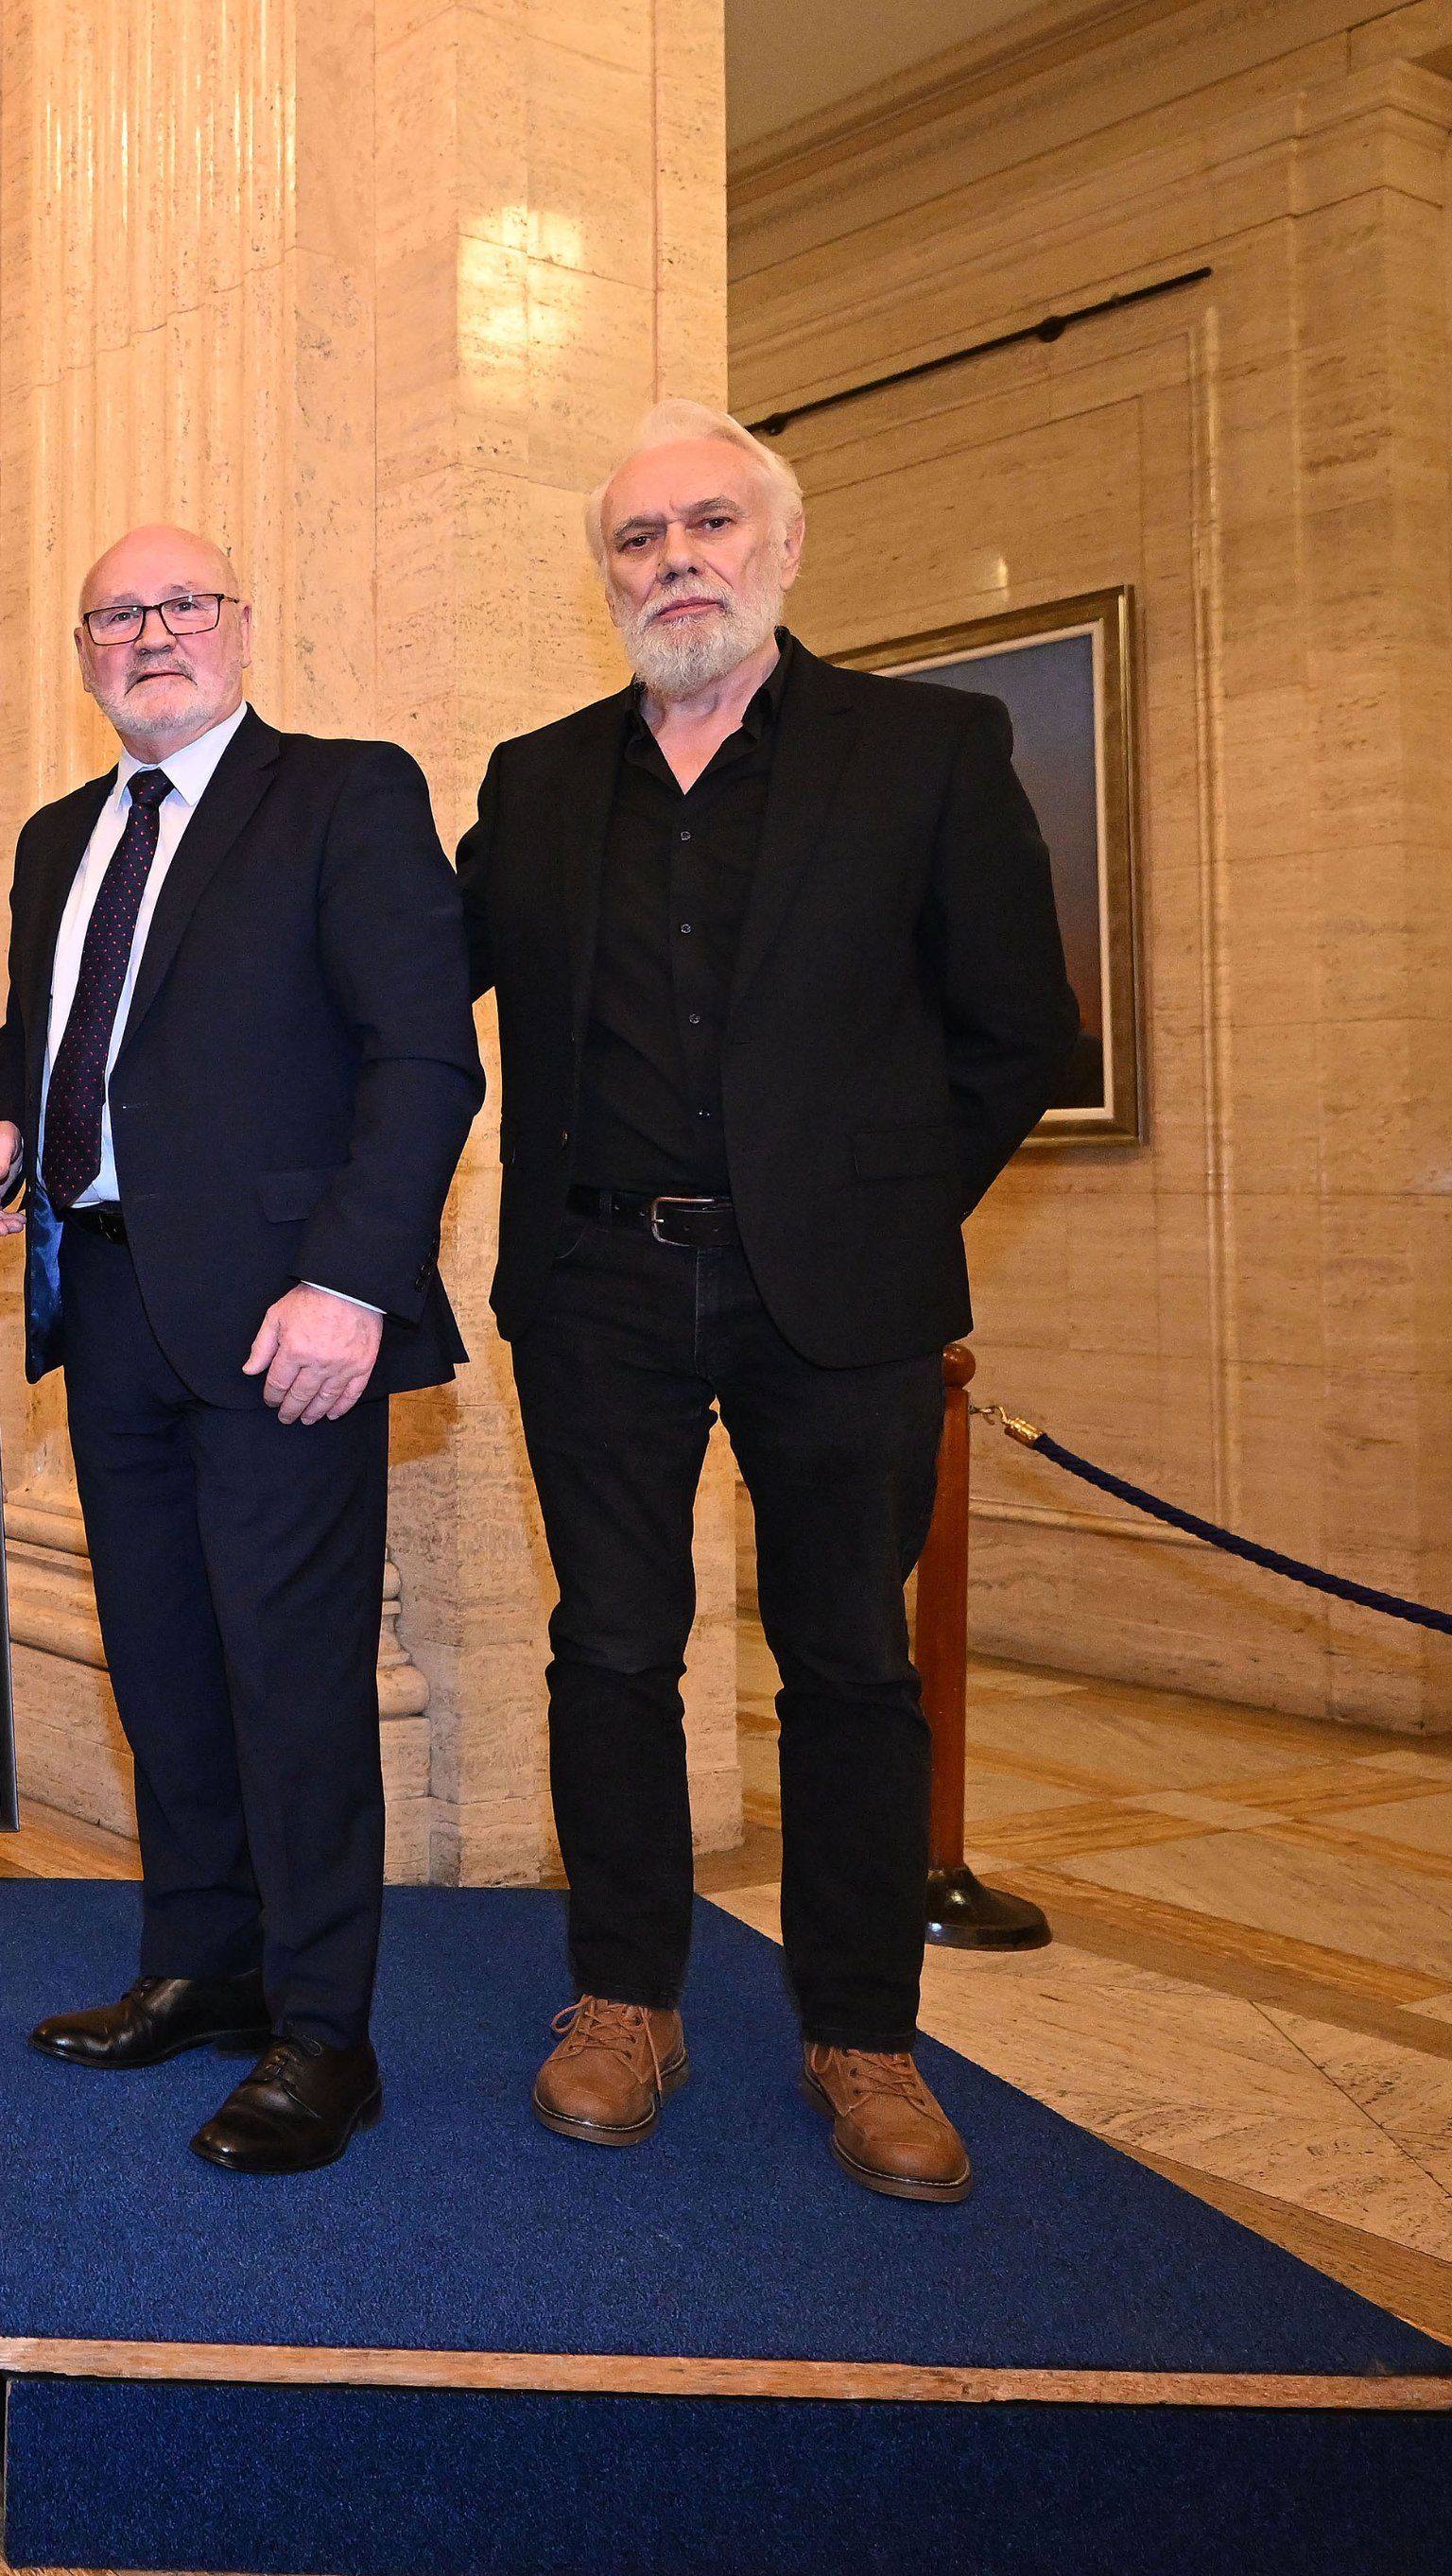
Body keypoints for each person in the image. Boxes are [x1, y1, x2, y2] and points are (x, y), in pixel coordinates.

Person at [458, 400, 1078, 2203]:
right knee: (609, 1650)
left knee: (850, 1663)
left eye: (710, 525)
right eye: (638, 538)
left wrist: (874, 1209)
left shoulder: (927, 751)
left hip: (842, 1298)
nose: (677, 562)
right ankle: (621, 2000)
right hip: (596, 1286)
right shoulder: (538, 781)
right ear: (605, 577)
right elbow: (406, 987)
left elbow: (1015, 1031)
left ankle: (863, 2035)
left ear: (784, 547)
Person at [0, 524, 482, 2174]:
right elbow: (44, 1039)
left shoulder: (345, 793)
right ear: (84, 652)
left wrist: (351, 1282)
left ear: (241, 627)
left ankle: (326, 2034)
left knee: (293, 1678)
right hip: (107, 1302)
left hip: (285, 1318)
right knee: (164, 1665)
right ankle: (202, 1966)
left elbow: (424, 1060)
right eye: (114, 616)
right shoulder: (60, 837)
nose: (150, 635)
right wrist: (3, 1124)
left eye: (180, 605)